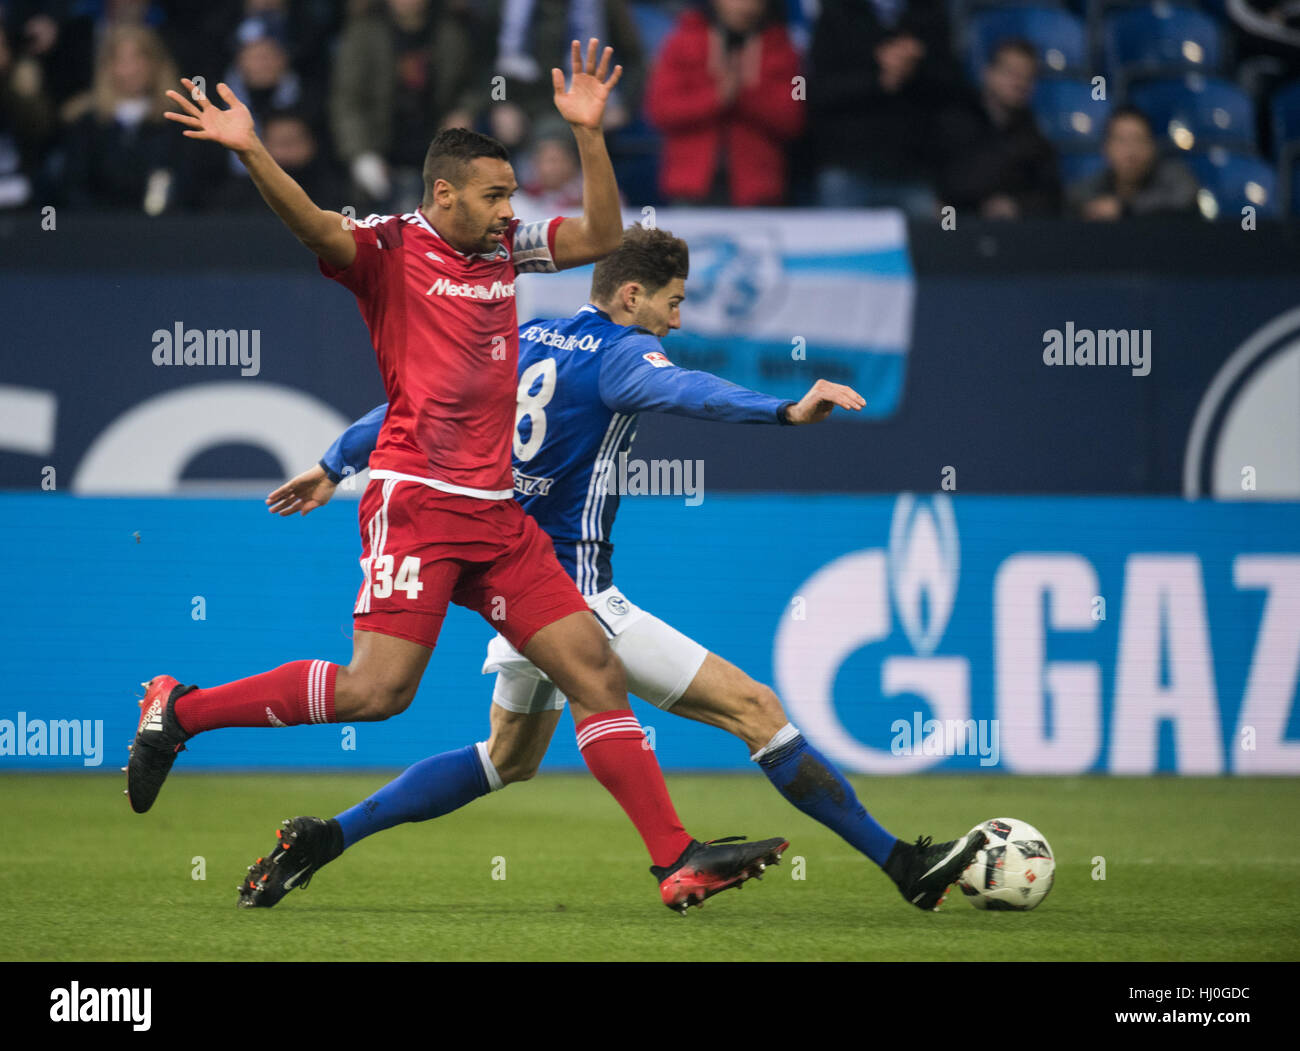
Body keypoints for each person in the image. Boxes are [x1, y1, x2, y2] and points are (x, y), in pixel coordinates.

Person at [133, 40, 787, 914]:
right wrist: (253, 149)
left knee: (592, 669)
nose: (508, 209)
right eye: (494, 195)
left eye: (512, 194)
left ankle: (675, 857)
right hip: (419, 501)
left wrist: (589, 136)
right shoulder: (388, 248)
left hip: (499, 517)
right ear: (443, 194)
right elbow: (313, 227)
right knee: (378, 693)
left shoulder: (505, 250)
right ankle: (182, 710)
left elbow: (600, 236)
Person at [240, 224, 989, 915]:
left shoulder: (525, 336)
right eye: (673, 301)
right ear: (631, 296)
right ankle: (900, 864)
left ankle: (323, 837)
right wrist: (785, 410)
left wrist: (334, 462)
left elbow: (414, 408)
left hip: (510, 579)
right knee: (755, 709)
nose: (678, 320)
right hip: (569, 593)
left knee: (507, 757)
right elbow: (686, 388)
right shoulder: (623, 355)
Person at [645, 0, 804, 206]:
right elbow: (660, 109)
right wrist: (716, 98)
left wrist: (745, 96)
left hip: (758, 188)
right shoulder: (682, 41)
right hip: (691, 186)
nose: (744, 6)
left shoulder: (783, 49)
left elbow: (794, 116)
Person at [936, 38, 1062, 219]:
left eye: (1028, 77)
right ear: (988, 73)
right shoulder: (955, 119)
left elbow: (1053, 197)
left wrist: (1016, 205)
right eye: (1012, 73)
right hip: (951, 221)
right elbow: (944, 180)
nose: (1020, 83)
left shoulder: (1034, 136)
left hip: (1007, 232)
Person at [1067, 106, 1200, 220]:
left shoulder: (1175, 177)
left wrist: (1125, 208)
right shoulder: (1091, 188)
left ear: (1152, 146)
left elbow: (1184, 197)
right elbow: (1075, 201)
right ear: (1106, 148)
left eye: (1139, 140)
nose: (1131, 152)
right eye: (1121, 141)